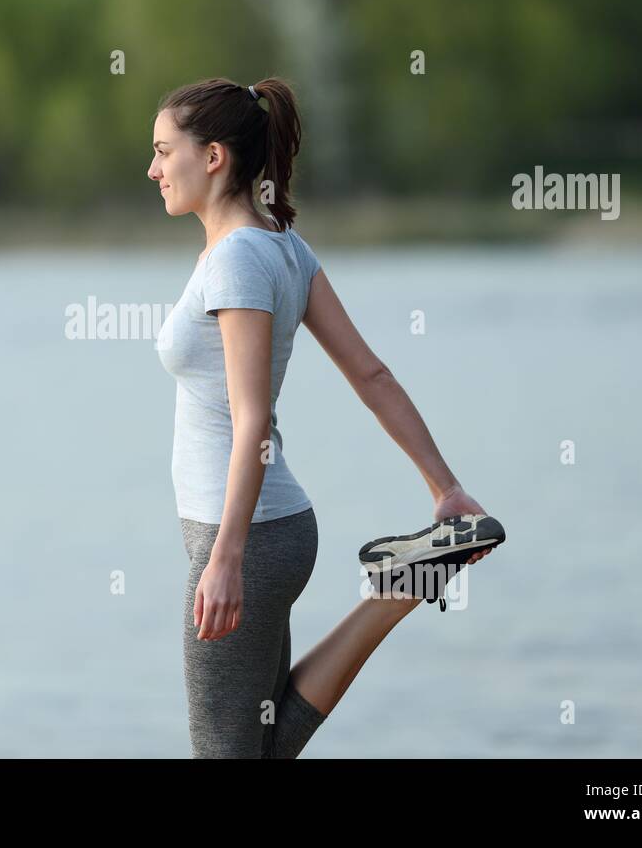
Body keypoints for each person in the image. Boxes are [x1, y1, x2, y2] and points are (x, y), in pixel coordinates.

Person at [149, 77, 495, 758]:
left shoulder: (242, 259)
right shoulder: (280, 247)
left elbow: (251, 422)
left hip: (241, 535)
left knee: (224, 752)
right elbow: (372, 375)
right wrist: (444, 488)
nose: (154, 168)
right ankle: (400, 588)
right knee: (261, 745)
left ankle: (398, 590)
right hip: (273, 531)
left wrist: (226, 560)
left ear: (213, 156)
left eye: (165, 151)